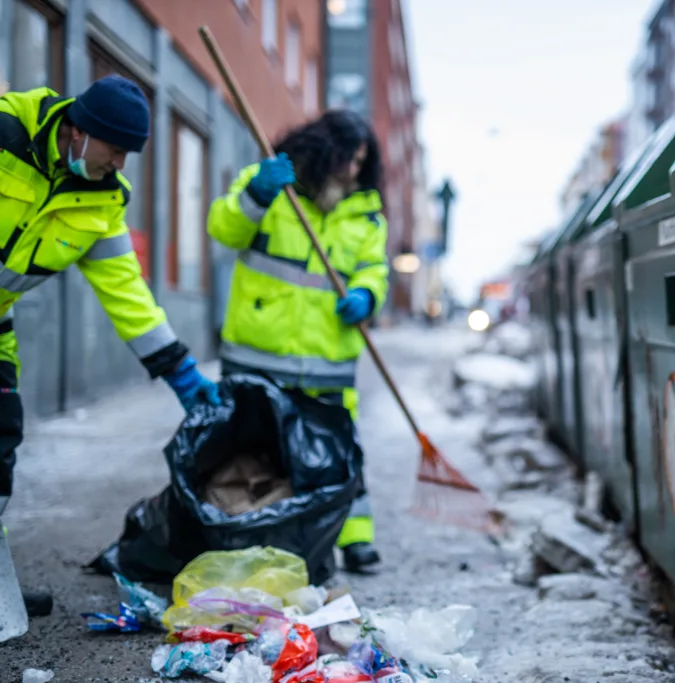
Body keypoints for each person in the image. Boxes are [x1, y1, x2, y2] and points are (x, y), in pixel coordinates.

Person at [0, 77, 221, 616]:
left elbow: (128, 292)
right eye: (115, 150)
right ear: (78, 130)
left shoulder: (103, 204)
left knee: (1, 437)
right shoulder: (6, 131)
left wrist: (181, 372)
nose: (120, 164)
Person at [207, 109, 388, 574]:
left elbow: (374, 268)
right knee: (253, 457)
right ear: (325, 150)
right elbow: (224, 230)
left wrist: (367, 295)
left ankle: (355, 539)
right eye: (348, 159)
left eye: (360, 163)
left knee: (337, 453)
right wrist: (256, 195)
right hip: (258, 356)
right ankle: (246, 532)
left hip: (327, 360)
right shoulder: (269, 183)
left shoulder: (366, 213)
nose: (352, 171)